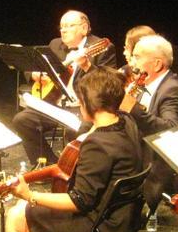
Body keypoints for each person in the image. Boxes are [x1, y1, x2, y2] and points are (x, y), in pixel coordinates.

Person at [1, 67, 144, 232]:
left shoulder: (98, 144)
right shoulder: (126, 122)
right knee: (28, 218)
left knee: (16, 217)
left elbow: (79, 200)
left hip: (105, 229)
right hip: (127, 219)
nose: (78, 104)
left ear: (91, 102)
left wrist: (30, 194)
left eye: (81, 99)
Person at [11, 10, 117, 165]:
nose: (64, 30)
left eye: (69, 26)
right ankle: (49, 165)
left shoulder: (102, 47)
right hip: (56, 104)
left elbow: (110, 84)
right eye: (61, 27)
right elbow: (35, 65)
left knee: (74, 130)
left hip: (83, 108)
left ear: (84, 28)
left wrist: (87, 65)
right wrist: (34, 73)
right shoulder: (55, 44)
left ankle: (72, 170)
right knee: (22, 120)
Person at [126, 35, 178, 213]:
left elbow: (171, 130)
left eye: (137, 57)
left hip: (156, 161)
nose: (132, 62)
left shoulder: (172, 89)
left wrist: (133, 109)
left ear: (156, 64)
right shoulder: (143, 83)